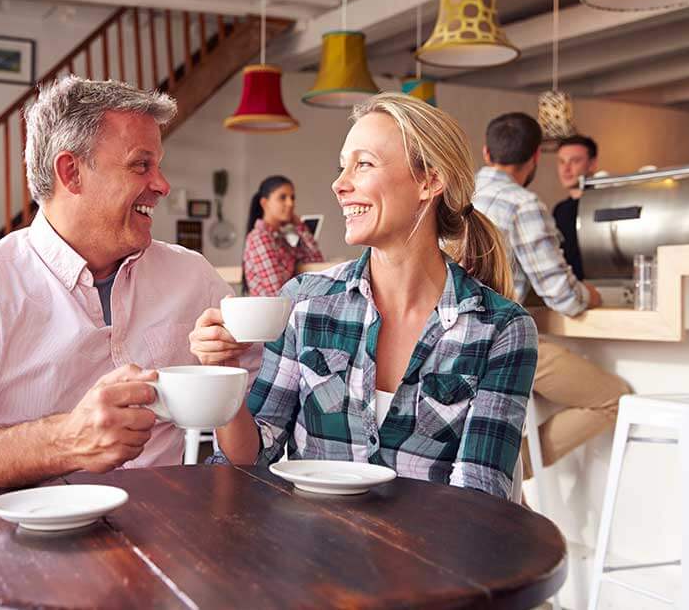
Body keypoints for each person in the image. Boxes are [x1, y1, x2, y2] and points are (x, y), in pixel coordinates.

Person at [0, 77, 260, 505]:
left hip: (166, 544)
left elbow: (248, 432)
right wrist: (66, 440)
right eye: (141, 165)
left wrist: (228, 364)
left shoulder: (193, 277)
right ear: (71, 172)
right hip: (23, 549)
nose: (162, 185)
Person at [189, 93, 538, 500]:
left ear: (429, 181)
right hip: (309, 551)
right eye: (342, 167)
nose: (339, 184)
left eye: (364, 164)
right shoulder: (305, 303)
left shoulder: (501, 329)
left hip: (431, 557)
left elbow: (481, 497)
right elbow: (251, 461)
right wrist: (225, 377)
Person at [472, 113, 629, 474]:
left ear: (485, 152)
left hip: (450, 345)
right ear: (534, 159)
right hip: (499, 344)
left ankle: (498, 469)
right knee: (614, 398)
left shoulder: (451, 198)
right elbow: (563, 296)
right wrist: (595, 295)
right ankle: (507, 467)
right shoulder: (523, 205)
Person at [241, 176, 324, 296]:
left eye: (292, 198)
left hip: (285, 309)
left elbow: (316, 261)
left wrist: (300, 226)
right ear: (264, 203)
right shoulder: (260, 237)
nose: (290, 203)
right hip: (272, 312)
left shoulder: (280, 239)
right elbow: (278, 293)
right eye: (282, 197)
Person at [553, 135, 599, 280]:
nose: (566, 169)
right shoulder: (559, 210)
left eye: (575, 161)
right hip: (571, 290)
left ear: (592, 164)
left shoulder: (601, 205)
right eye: (561, 162)